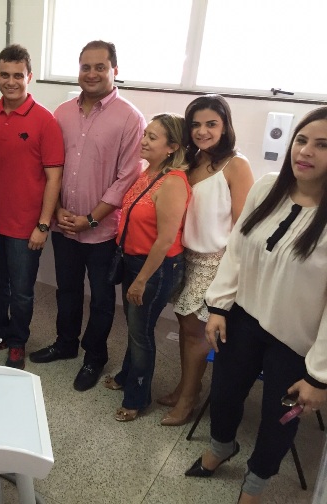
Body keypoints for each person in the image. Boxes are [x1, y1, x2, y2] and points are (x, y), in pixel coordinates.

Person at [185, 107, 327, 504]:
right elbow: (237, 250)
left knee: (277, 420)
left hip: (296, 341)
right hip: (243, 319)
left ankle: (255, 486)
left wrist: (320, 376)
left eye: (322, 145)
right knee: (224, 394)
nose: (306, 151)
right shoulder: (266, 188)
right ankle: (221, 448)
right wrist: (218, 307)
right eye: (301, 140)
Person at [28, 40, 145, 392]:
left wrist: (91, 218)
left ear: (115, 70)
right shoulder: (61, 113)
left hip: (102, 231)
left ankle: (95, 356)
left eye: (100, 67)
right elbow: (51, 166)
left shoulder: (130, 118)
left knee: (103, 300)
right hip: (64, 225)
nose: (91, 73)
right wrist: (57, 210)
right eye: (85, 67)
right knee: (66, 290)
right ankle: (65, 344)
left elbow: (128, 177)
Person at [159, 95, 254, 426]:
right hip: (186, 256)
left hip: (216, 261)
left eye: (211, 124)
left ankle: (187, 400)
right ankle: (187, 387)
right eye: (196, 125)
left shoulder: (236, 165)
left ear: (225, 126)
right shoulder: (192, 160)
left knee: (195, 332)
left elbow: (244, 227)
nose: (202, 131)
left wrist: (231, 276)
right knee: (184, 326)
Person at [0, 44, 64, 369]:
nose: (10, 82)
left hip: (26, 228)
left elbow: (54, 178)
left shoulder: (45, 121)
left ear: (29, 77)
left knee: (22, 292)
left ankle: (17, 341)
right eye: (5, 75)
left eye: (18, 75)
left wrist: (43, 225)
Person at [104, 113, 190, 422]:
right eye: (145, 134)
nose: (144, 141)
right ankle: (127, 375)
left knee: (141, 333)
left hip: (154, 268)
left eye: (153, 137)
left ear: (172, 147)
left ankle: (137, 398)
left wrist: (141, 280)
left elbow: (165, 240)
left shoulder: (173, 182)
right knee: (135, 326)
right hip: (133, 261)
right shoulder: (148, 172)